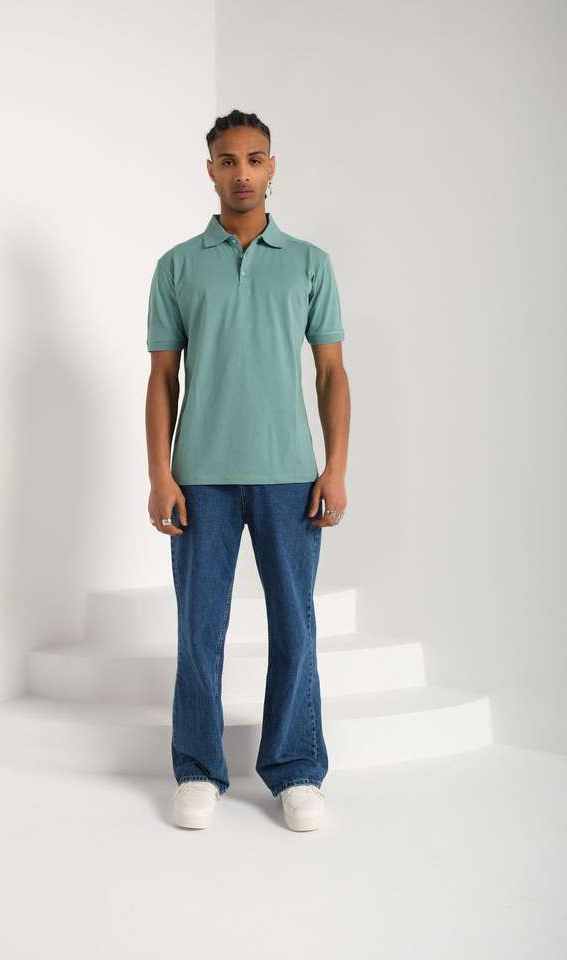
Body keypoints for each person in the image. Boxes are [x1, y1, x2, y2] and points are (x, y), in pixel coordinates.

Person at [145, 108, 350, 831]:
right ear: (210, 170)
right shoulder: (177, 265)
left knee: (295, 623)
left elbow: (331, 373)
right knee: (199, 628)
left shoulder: (308, 263)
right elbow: (162, 378)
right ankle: (198, 769)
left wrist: (335, 467)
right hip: (199, 476)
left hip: (290, 473)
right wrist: (160, 474)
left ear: (272, 167)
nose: (242, 173)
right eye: (228, 160)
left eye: (255, 159)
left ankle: (296, 769)